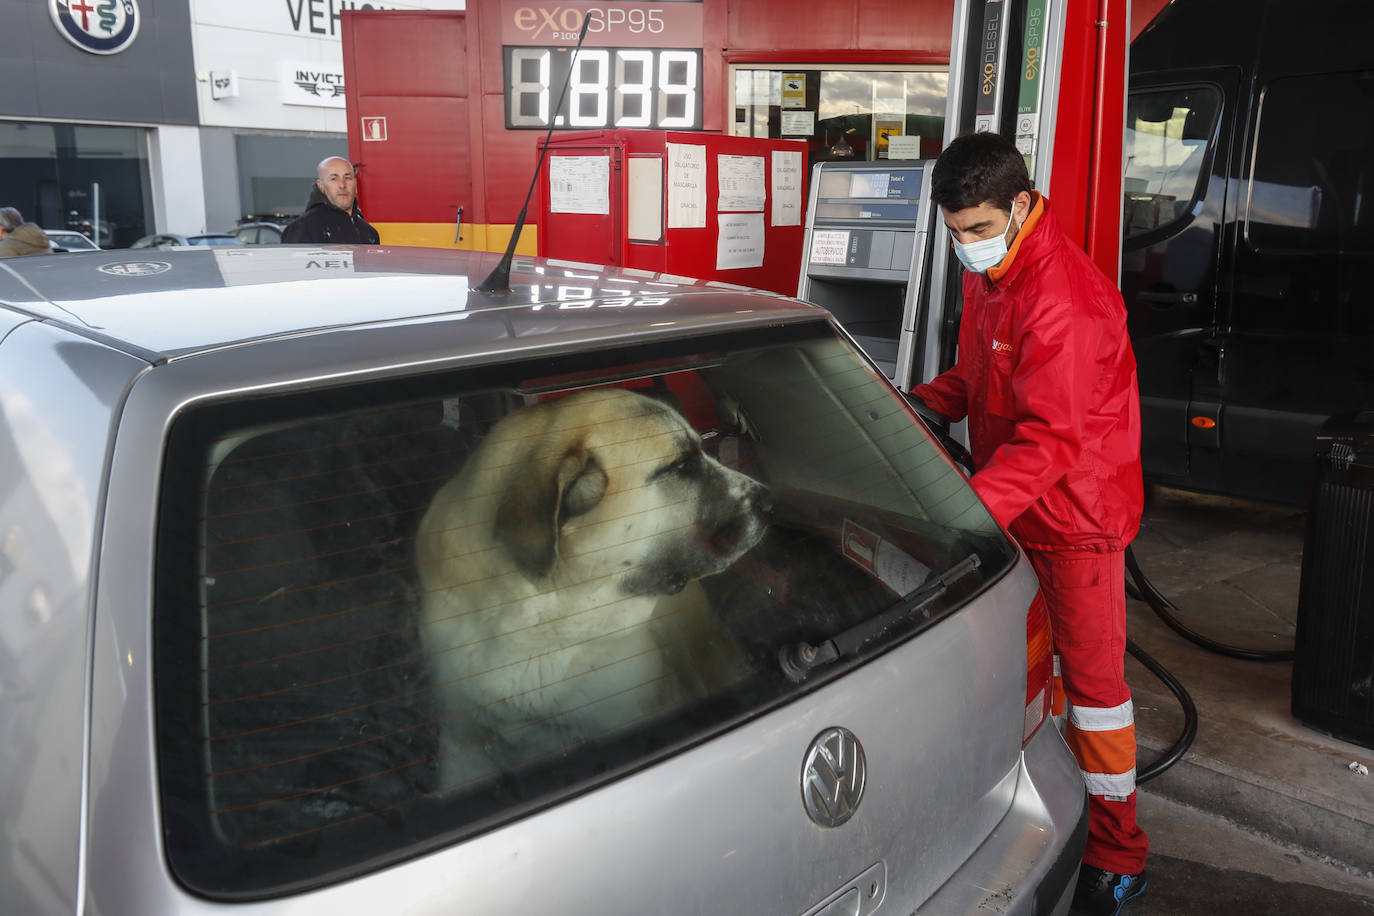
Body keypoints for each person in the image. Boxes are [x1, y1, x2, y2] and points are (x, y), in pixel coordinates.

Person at [910, 132, 1148, 916]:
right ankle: (1034, 812)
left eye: (976, 229)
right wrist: (918, 405)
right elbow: (978, 375)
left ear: (1019, 206)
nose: (965, 246)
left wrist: (967, 512)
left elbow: (1052, 439)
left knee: (1095, 693)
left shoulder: (1063, 298)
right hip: (1017, 514)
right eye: (953, 232)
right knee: (1024, 679)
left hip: (1075, 523)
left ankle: (1117, 854)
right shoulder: (997, 276)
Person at [281, 157, 380, 244]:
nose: (342, 185)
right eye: (334, 179)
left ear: (355, 185)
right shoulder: (302, 229)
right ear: (321, 186)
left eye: (348, 178)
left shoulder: (369, 233)